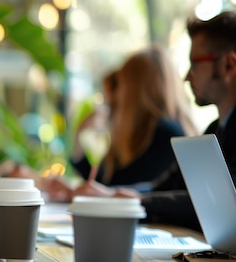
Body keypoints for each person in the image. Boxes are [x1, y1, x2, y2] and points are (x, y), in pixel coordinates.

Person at [71, 11, 236, 231]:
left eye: (195, 64)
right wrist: (124, 197)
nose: (187, 76)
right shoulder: (214, 131)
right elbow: (167, 187)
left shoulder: (168, 132)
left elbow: (223, 206)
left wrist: (131, 200)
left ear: (228, 65)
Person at [70, 46, 196, 185]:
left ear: (135, 91)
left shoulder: (167, 135)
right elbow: (107, 182)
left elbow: (116, 186)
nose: (117, 95)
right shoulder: (143, 134)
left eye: (121, 84)